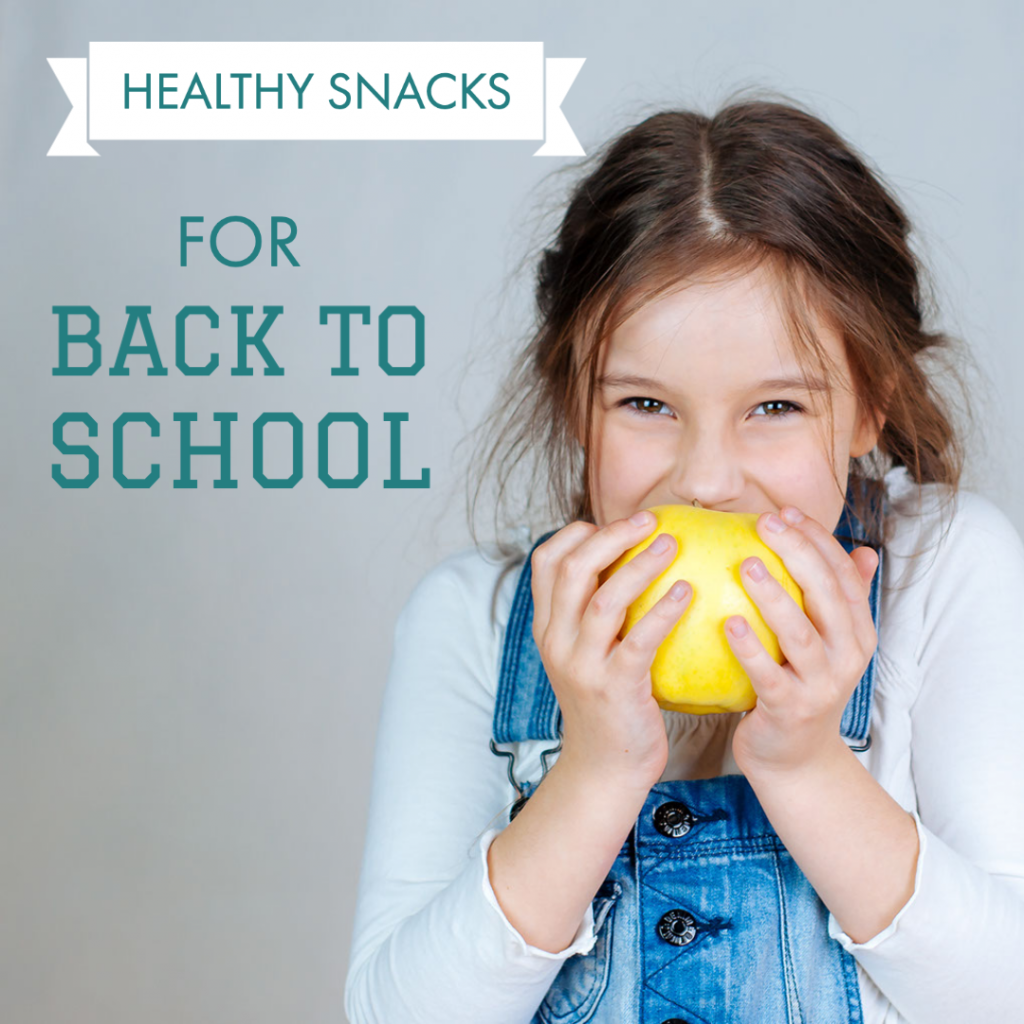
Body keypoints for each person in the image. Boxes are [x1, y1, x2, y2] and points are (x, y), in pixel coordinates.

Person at [343, 92, 1024, 1024]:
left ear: (870, 403)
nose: (706, 483)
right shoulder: (475, 620)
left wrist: (808, 767)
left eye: (776, 407)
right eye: (646, 406)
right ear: (573, 406)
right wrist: (594, 771)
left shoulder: (948, 574)